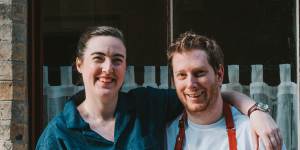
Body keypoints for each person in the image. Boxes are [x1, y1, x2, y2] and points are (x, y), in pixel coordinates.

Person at [36, 26, 281, 149]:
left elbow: (200, 96)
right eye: (98, 58)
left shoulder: (147, 106)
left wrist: (255, 110)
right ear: (79, 64)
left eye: (117, 59)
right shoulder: (58, 136)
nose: (108, 68)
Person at [166, 32, 284, 150]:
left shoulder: (255, 134)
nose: (191, 84)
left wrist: (256, 110)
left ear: (219, 75)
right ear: (173, 81)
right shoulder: (166, 136)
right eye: (181, 75)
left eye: (199, 73)